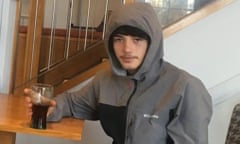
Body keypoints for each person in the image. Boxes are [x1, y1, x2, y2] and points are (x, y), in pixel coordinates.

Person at [24, 2, 212, 144]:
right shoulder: (104, 81)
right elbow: (73, 103)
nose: (127, 49)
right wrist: (52, 107)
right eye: (119, 39)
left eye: (137, 39)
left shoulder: (186, 88)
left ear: (152, 43)